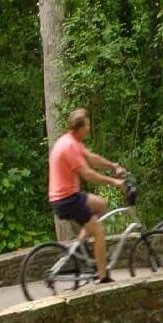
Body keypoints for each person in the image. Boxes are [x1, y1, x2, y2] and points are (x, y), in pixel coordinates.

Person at [47, 108, 128, 282]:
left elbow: (92, 158)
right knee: (99, 232)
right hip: (67, 200)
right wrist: (115, 182)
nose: (90, 127)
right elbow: (88, 174)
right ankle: (103, 276)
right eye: (88, 124)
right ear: (80, 127)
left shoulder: (72, 141)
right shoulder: (69, 146)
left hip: (69, 196)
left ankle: (80, 243)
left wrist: (113, 166)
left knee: (101, 204)